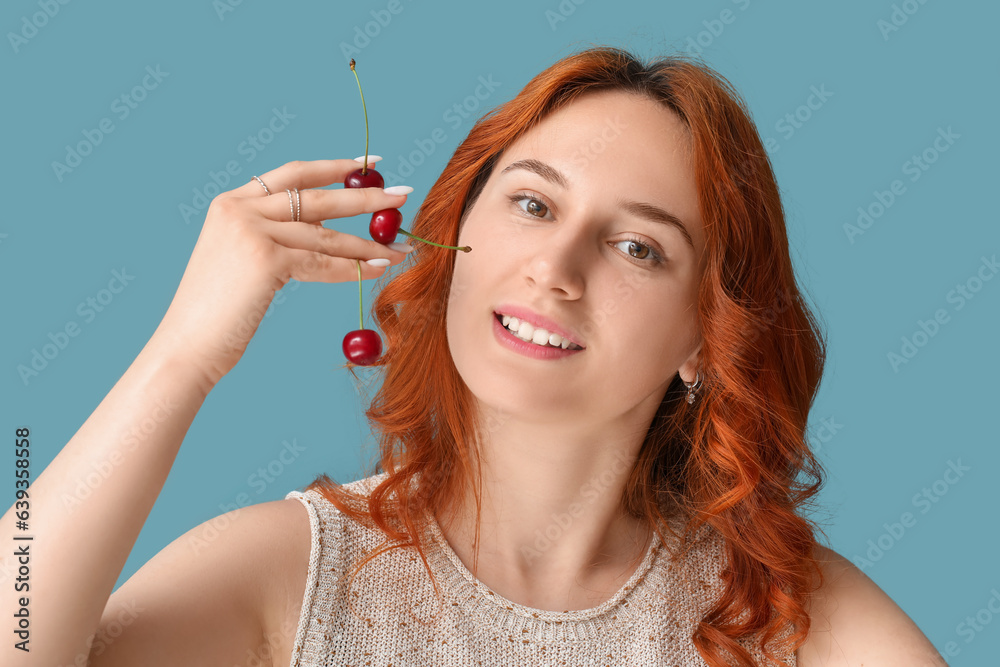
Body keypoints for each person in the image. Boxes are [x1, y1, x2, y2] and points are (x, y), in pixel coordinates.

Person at [2, 47, 947, 667]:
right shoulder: (291, 571)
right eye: (533, 204)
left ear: (707, 337)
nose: (556, 268)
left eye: (638, 246)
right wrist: (183, 355)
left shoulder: (772, 619)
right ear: (457, 237)